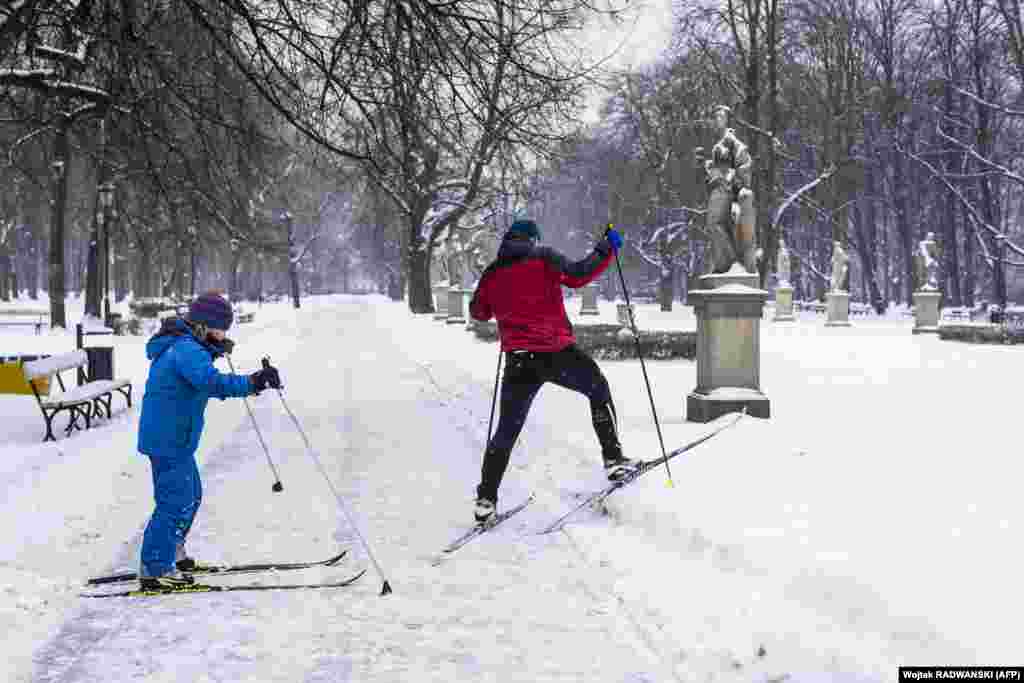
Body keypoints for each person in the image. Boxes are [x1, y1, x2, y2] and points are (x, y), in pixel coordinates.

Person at [468, 219, 641, 523]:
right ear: (533, 239)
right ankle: (613, 458)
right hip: (557, 353)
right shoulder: (543, 257)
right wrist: (606, 247)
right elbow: (578, 275)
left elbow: (478, 312)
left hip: (519, 361)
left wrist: (499, 296)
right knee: (597, 388)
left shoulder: (493, 271)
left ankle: (486, 499)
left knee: (506, 431)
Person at [136, 291, 282, 593]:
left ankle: (171, 552)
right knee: (174, 502)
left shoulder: (190, 346)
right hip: (168, 438)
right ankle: (155, 567)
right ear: (203, 325)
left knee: (191, 495)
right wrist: (254, 382)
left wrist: (214, 349)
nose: (223, 334)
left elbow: (201, 374)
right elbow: (211, 382)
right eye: (220, 328)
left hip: (176, 437)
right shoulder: (186, 350)